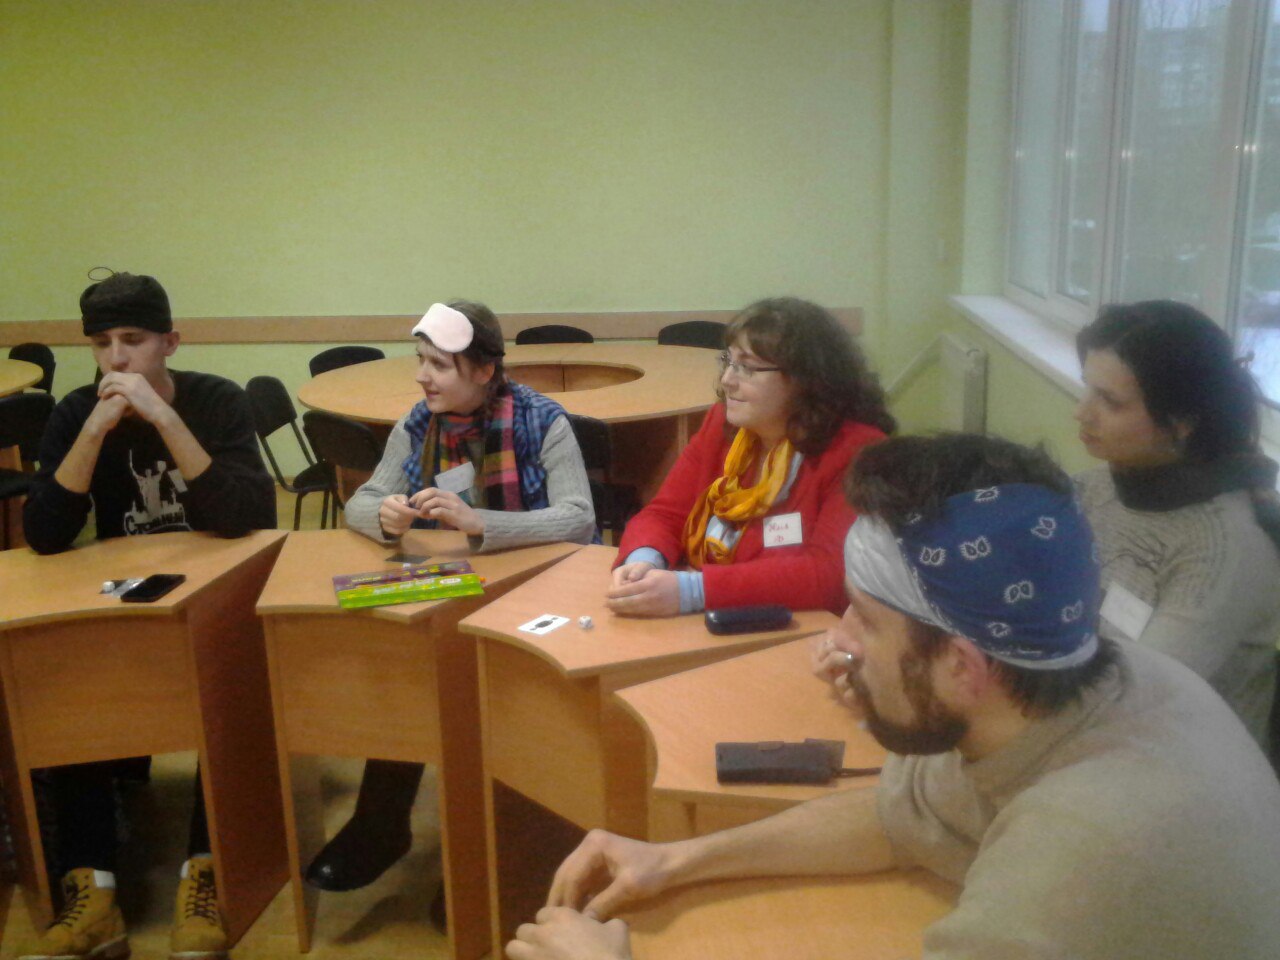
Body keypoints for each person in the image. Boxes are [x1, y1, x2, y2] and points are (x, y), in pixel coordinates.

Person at [511, 434, 1280, 960]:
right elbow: (902, 815)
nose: (842, 641)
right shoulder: (1073, 678)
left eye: (867, 621)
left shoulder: (1083, 854)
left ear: (962, 665)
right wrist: (677, 860)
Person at [304, 300, 595, 916]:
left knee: (504, 701)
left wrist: (479, 521)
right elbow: (364, 499)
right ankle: (382, 822)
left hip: (533, 592)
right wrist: (384, 518)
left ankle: (492, 847)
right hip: (455, 587)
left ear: (485, 370)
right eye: (422, 361)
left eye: (438, 365)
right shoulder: (419, 423)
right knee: (409, 672)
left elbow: (578, 519)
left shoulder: (542, 420)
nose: (422, 376)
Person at [22, 270, 276, 960]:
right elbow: (44, 533)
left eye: (133, 339)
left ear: (170, 342)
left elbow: (247, 515)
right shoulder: (77, 411)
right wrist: (94, 431)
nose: (117, 358)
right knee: (66, 687)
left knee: (231, 689)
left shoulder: (216, 400)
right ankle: (94, 892)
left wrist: (164, 419)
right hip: (125, 605)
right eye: (102, 343)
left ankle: (206, 871)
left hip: (214, 598)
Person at [1073, 300, 1280, 749]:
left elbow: (1130, 704)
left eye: (1110, 401)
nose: (1082, 413)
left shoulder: (1226, 549)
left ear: (1182, 422)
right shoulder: (1099, 486)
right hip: (1090, 726)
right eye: (1087, 389)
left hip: (1178, 761)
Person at [607, 297, 893, 618]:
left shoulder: (858, 451)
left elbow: (828, 574)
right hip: (712, 619)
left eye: (748, 367)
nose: (728, 380)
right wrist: (644, 561)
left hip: (802, 628)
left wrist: (693, 590)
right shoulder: (723, 425)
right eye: (728, 361)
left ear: (806, 379)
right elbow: (665, 513)